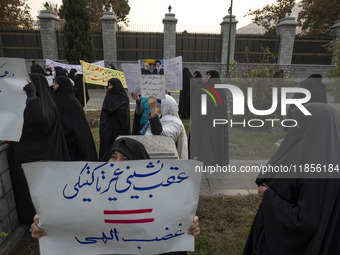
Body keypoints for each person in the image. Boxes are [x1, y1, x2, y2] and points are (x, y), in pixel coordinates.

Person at [31, 137, 200, 255]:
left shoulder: (157, 202)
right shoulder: (87, 196)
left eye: (125, 159)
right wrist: (46, 227)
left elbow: (168, 242)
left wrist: (185, 228)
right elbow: (72, 230)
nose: (117, 165)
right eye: (113, 157)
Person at [243, 103, 340, 255]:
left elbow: (306, 222)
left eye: (301, 123)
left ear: (314, 128)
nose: (296, 127)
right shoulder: (306, 153)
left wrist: (269, 197)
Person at [7, 73, 70, 224]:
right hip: (44, 156)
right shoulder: (45, 102)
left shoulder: (39, 104)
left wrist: (31, 96)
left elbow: (38, 119)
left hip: (37, 157)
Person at [53, 76, 98, 161]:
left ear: (62, 86)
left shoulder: (71, 103)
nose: (53, 85)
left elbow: (72, 126)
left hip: (74, 143)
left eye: (55, 83)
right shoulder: (58, 100)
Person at [141, 95, 188, 160]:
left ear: (166, 107)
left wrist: (153, 111)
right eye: (155, 107)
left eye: (157, 107)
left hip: (167, 159)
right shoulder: (161, 118)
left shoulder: (176, 124)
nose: (155, 110)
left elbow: (158, 133)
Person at [99, 78, 131, 159]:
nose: (109, 88)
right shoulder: (109, 95)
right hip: (107, 129)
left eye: (111, 85)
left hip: (119, 130)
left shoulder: (123, 98)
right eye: (108, 85)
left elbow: (124, 119)